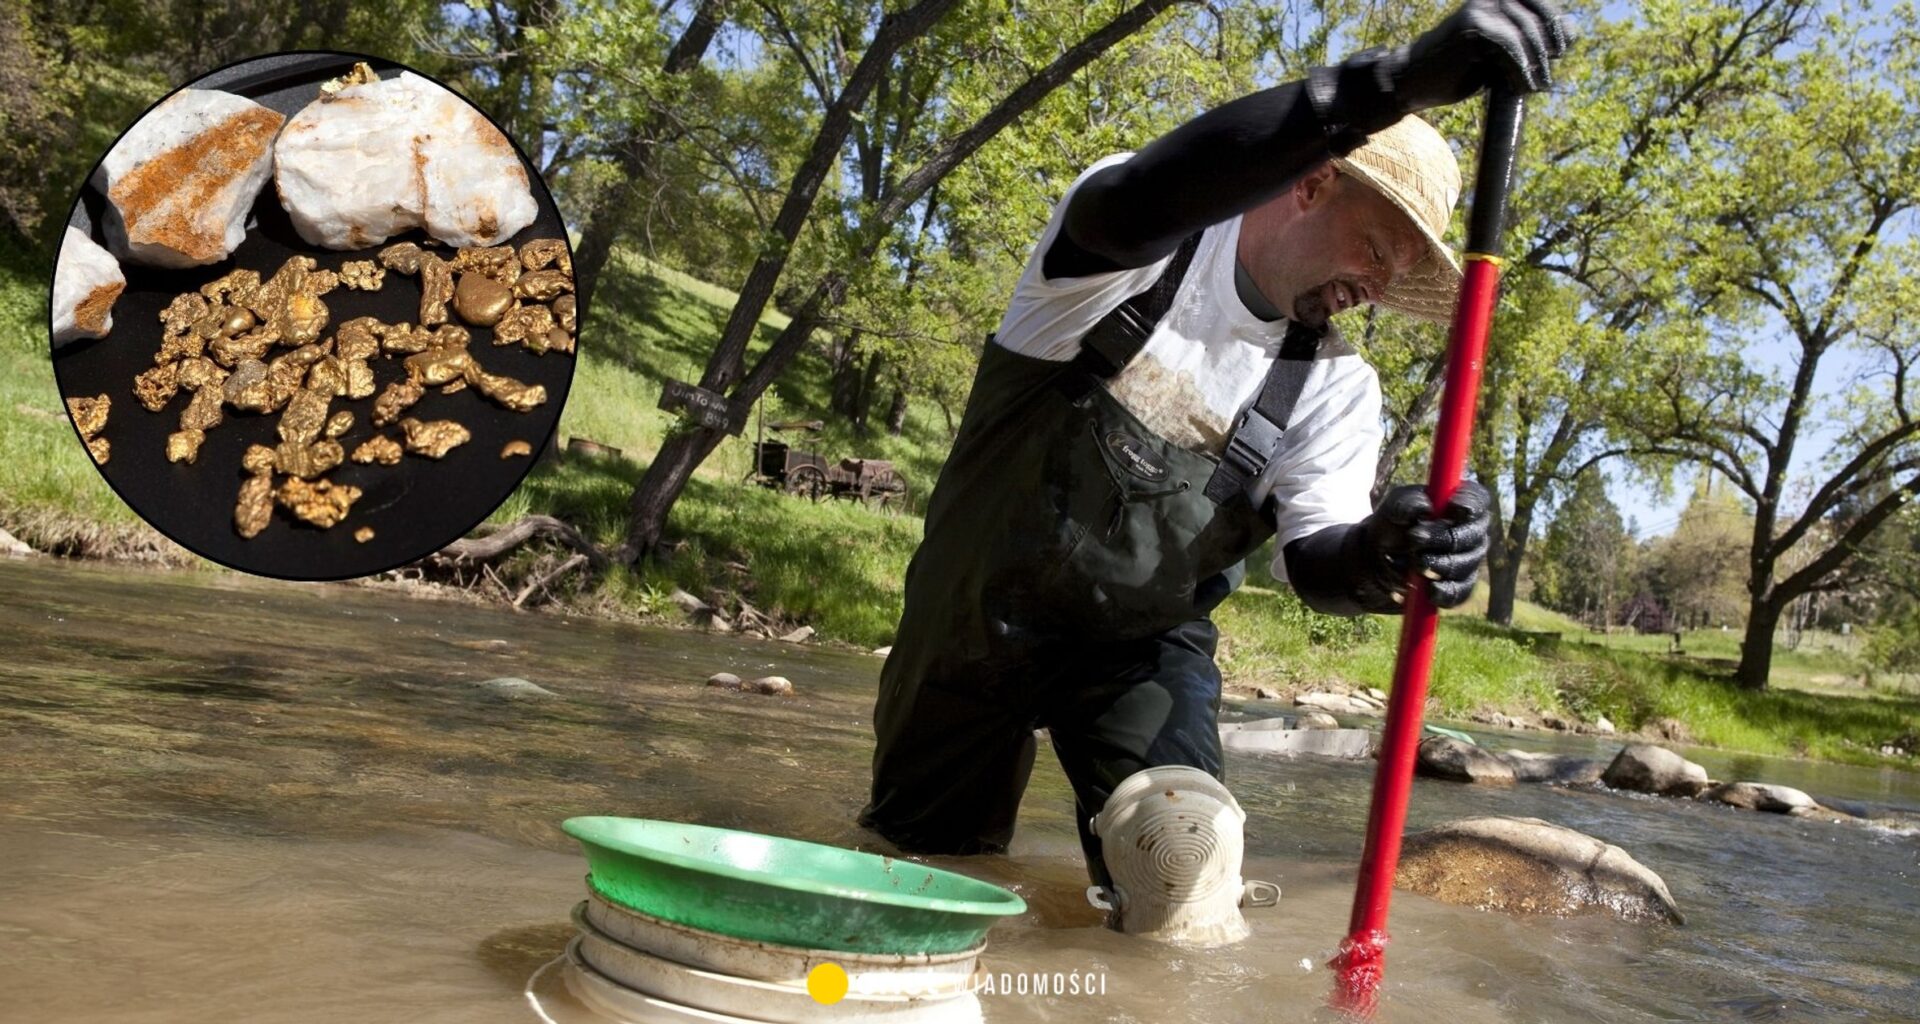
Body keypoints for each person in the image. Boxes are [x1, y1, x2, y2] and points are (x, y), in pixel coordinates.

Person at [858, 0, 1568, 941]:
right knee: (914, 888)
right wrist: (1389, 85)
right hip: (970, 617)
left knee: (1184, 872)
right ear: (1312, 183)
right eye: (1376, 249)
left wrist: (1392, 552)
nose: (1377, 288)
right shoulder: (1127, 247)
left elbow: (1318, 563)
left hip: (1141, 650)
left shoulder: (1337, 387)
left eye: (1396, 273)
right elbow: (1152, 192)